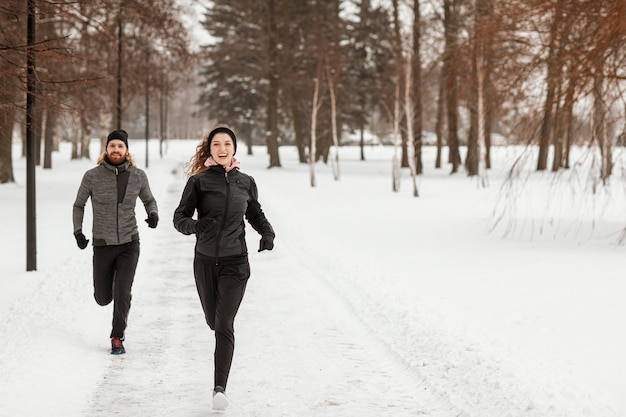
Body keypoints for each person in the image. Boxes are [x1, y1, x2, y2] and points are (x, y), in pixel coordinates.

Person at [173, 125, 275, 410]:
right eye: (216, 144)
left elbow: (255, 213)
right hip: (205, 262)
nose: (222, 148)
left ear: (234, 148)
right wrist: (196, 225)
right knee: (212, 322)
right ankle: (219, 378)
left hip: (236, 263)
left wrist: (267, 234)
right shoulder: (199, 182)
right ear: (210, 149)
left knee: (224, 325)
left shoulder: (246, 182)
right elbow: (179, 218)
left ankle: (220, 389)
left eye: (227, 143)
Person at [73, 129, 159, 355]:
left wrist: (153, 214)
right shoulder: (92, 176)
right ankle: (111, 286)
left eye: (120, 146)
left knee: (123, 291)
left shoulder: (138, 175)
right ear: (106, 149)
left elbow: (149, 199)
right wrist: (78, 231)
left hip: (130, 242)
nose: (116, 150)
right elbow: (79, 204)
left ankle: (117, 336)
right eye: (112, 146)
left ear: (127, 150)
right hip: (102, 244)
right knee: (103, 298)